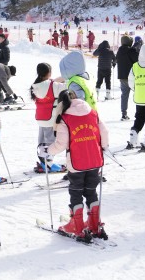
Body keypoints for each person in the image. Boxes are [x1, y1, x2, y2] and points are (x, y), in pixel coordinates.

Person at [43, 90, 109, 241]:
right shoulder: (92, 113)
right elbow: (104, 131)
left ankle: (77, 225)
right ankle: (94, 224)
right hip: (95, 159)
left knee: (76, 191)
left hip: (76, 162)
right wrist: (103, 146)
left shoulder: (64, 118)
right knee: (91, 190)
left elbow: (61, 144)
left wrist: (48, 150)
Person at [30, 63, 67, 173]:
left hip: (40, 117)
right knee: (52, 143)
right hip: (51, 118)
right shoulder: (53, 85)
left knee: (42, 141)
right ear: (49, 72)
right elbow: (68, 87)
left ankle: (43, 161)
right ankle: (48, 164)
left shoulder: (35, 85)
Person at [115, 35, 138, 121]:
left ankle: (124, 114)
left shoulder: (119, 51)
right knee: (138, 94)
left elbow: (116, 59)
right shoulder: (131, 51)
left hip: (122, 77)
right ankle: (139, 113)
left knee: (124, 95)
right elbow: (137, 60)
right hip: (132, 76)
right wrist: (135, 50)